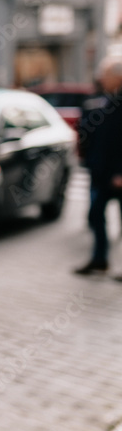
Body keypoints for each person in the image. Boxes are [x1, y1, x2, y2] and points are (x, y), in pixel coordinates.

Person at [74, 55, 122, 277]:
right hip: (100, 171)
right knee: (95, 215)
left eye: (106, 74)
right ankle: (99, 259)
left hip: (117, 173)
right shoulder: (100, 99)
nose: (101, 78)